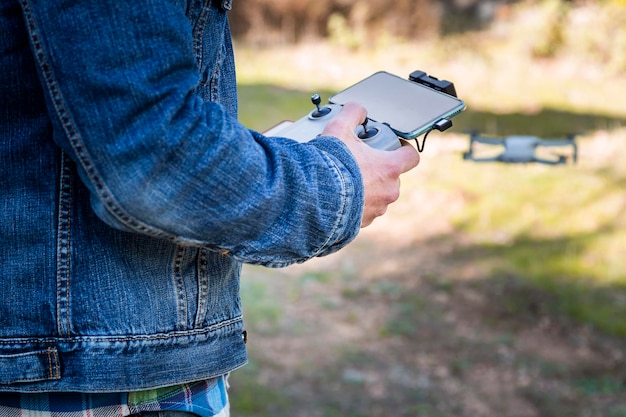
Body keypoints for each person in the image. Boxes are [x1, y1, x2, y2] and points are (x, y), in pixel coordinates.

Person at [0, 0, 420, 416]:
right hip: (104, 382)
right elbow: (150, 150)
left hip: (100, 361)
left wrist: (253, 155)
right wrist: (339, 184)